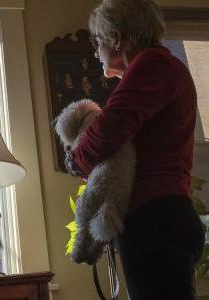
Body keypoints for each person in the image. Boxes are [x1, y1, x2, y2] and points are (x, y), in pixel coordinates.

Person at [64, 0, 206, 299]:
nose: (95, 50)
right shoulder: (158, 68)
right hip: (163, 215)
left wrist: (75, 160)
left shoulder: (152, 64)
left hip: (154, 219)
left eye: (97, 41)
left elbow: (107, 132)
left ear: (117, 38)